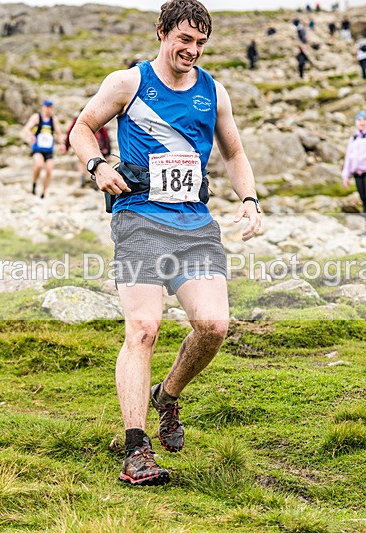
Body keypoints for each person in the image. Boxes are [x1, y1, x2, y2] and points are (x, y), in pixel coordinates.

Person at [69, 0, 261, 487]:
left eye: (200, 43)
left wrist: (250, 200)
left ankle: (168, 394)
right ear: (162, 33)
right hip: (138, 220)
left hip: (195, 224)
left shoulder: (213, 92)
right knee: (143, 327)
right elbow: (82, 129)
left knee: (214, 325)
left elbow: (234, 151)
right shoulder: (128, 83)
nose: (192, 51)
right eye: (185, 40)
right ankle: (136, 449)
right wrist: (98, 167)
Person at [21, 100, 65, 198]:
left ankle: (44, 192)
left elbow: (58, 133)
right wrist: (31, 136)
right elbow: (26, 129)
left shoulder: (53, 120)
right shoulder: (36, 117)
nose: (48, 109)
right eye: (46, 107)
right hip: (37, 148)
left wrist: (62, 144)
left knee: (49, 170)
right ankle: (34, 183)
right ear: (43, 107)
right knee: (39, 164)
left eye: (50, 107)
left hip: (49, 149)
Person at [66, 113, 110, 187]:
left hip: (81, 143)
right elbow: (105, 134)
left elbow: (70, 132)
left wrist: (66, 146)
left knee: (81, 161)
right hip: (94, 143)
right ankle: (93, 179)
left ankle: (83, 177)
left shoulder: (77, 120)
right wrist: (107, 149)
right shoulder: (94, 118)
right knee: (95, 161)